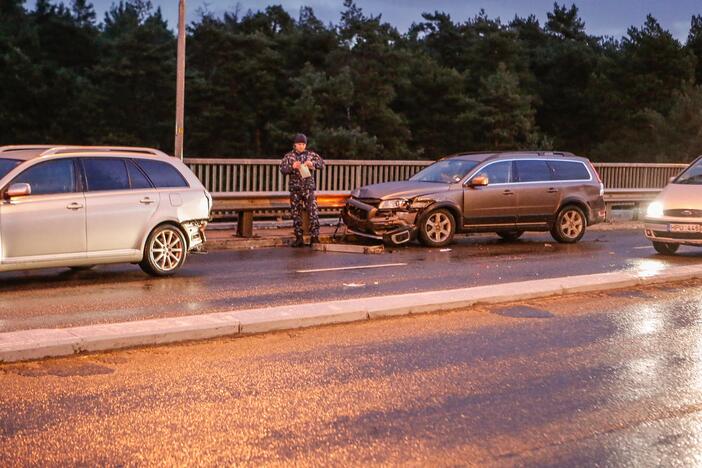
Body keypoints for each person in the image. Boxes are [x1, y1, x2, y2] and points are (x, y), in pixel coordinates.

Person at [279, 133, 325, 247]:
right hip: (295, 189)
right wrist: (292, 167)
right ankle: (299, 238)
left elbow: (322, 164)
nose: (301, 146)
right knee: (296, 214)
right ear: (295, 144)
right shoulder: (289, 156)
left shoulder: (311, 155)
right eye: (299, 144)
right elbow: (282, 170)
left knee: (313, 212)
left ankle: (314, 237)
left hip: (308, 188)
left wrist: (312, 163)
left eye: (303, 144)